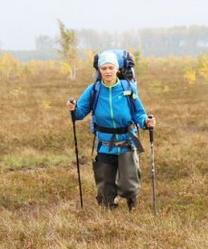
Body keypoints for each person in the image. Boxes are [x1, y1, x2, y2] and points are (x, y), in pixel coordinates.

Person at [67, 51, 156, 210]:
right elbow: (79, 113)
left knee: (129, 186)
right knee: (105, 192)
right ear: (99, 71)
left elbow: (139, 112)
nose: (107, 71)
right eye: (104, 68)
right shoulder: (94, 90)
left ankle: (132, 203)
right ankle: (109, 217)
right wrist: (73, 109)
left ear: (117, 70)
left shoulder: (128, 87)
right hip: (104, 141)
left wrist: (146, 122)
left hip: (129, 138)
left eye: (111, 67)